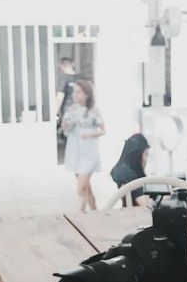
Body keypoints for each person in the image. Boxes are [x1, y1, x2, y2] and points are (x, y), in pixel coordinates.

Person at [61, 80, 105, 212]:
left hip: (89, 153)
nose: (75, 95)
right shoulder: (71, 109)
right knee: (86, 188)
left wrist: (90, 134)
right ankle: (95, 212)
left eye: (78, 92)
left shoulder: (94, 111)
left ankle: (80, 215)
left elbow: (103, 130)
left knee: (81, 188)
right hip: (75, 151)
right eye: (74, 92)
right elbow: (66, 129)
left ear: (87, 94)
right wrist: (65, 123)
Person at [111, 134, 151, 207]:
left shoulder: (120, 169)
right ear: (137, 154)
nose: (146, 159)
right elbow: (145, 205)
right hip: (137, 214)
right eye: (145, 154)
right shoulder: (128, 175)